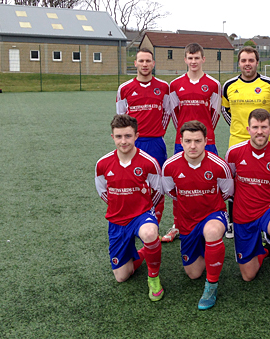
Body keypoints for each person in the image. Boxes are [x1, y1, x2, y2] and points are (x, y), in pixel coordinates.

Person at [225, 109, 270, 305]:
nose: (260, 131)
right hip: (242, 213)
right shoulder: (234, 152)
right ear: (248, 129)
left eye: (264, 127)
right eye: (255, 127)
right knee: (248, 275)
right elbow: (228, 183)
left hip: (269, 209)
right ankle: (264, 249)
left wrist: (268, 199)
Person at [162, 120, 234, 310]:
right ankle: (208, 251)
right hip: (187, 222)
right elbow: (171, 192)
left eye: (197, 141)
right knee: (193, 274)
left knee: (211, 232)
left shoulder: (219, 165)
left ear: (205, 141)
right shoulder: (170, 166)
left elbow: (226, 192)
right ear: (181, 141)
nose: (192, 146)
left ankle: (212, 285)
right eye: (188, 141)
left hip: (213, 214)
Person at [94, 114, 165, 301]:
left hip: (141, 215)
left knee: (149, 233)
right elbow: (102, 192)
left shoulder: (149, 162)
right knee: (122, 276)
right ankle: (142, 252)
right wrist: (119, 204)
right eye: (119, 136)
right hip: (117, 219)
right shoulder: (102, 164)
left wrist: (145, 208)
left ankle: (154, 278)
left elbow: (157, 191)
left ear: (136, 136)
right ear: (112, 137)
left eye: (127, 136)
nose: (123, 141)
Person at [163, 43, 222, 243]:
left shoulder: (214, 84)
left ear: (203, 59)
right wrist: (185, 137)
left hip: (208, 141)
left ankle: (212, 221)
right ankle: (178, 224)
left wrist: (204, 136)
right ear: (185, 59)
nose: (193, 61)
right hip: (184, 143)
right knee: (180, 183)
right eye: (190, 58)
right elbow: (173, 113)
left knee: (209, 181)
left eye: (197, 58)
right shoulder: (175, 85)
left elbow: (215, 114)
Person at [221, 46, 270, 238]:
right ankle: (232, 221)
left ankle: (265, 219)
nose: (247, 64)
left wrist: (264, 131)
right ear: (239, 63)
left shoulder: (269, 84)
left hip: (264, 143)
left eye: (251, 60)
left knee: (264, 181)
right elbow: (224, 110)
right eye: (244, 60)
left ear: (257, 62)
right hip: (237, 140)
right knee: (235, 183)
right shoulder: (228, 85)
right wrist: (242, 130)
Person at [116, 47, 171, 224]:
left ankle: (154, 222)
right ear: (135, 63)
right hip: (134, 145)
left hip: (156, 143)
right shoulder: (124, 89)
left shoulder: (163, 87)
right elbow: (121, 118)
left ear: (153, 63)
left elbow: (168, 113)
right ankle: (133, 220)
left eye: (148, 61)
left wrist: (157, 131)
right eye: (141, 61)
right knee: (133, 183)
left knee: (157, 185)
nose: (145, 64)